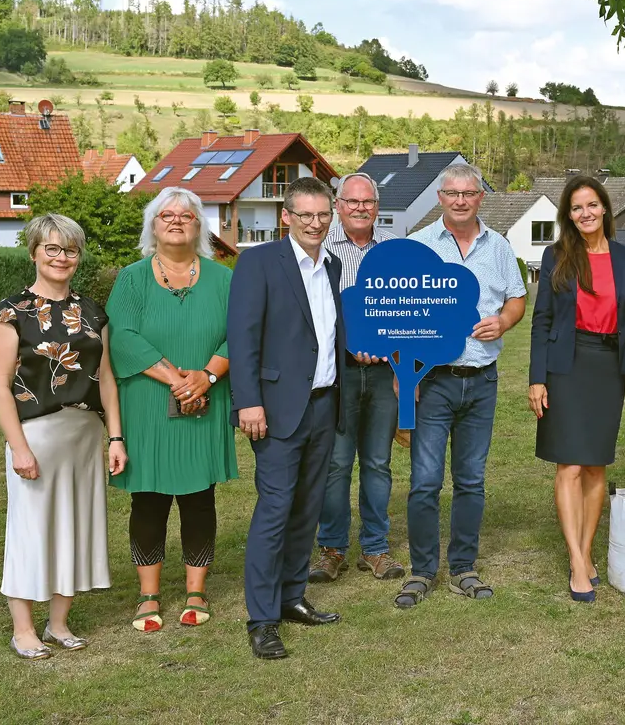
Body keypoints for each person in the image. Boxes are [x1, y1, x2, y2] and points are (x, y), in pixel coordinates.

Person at [0, 214, 124, 659]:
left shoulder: (92, 312)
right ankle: (23, 629)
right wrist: (18, 447)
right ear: (33, 253)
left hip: (84, 436)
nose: (61, 257)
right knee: (30, 529)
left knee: (76, 525)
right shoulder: (10, 313)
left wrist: (115, 437)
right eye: (52, 248)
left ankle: (59, 623)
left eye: (69, 250)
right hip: (36, 435)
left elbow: (105, 378)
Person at [395, 163, 527, 610]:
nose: (460, 200)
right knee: (425, 481)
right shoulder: (417, 247)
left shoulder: (501, 247)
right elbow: (401, 317)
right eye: (451, 193)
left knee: (471, 480)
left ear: (480, 197)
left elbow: (516, 297)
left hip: (482, 382)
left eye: (468, 193)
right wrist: (403, 376)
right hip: (431, 382)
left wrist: (504, 320)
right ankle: (421, 571)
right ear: (439, 196)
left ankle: (463, 567)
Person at [528, 176, 625, 602]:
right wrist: (537, 378)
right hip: (566, 366)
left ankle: (586, 553)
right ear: (568, 215)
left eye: (591, 205)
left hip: (609, 368)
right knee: (569, 465)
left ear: (605, 208)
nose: (585, 213)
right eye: (576, 208)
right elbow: (543, 320)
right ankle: (576, 561)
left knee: (595, 467)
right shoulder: (557, 257)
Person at [108, 187, 236, 634]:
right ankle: (148, 595)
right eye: (167, 215)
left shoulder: (224, 279)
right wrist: (178, 379)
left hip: (207, 401)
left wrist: (208, 376)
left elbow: (240, 335)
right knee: (149, 500)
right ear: (153, 226)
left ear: (200, 226)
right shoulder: (132, 278)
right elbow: (121, 336)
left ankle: (196, 589)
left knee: (200, 497)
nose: (177, 220)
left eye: (187, 215)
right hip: (147, 406)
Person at [228, 177, 346, 660]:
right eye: (306, 215)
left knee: (307, 509)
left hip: (323, 405)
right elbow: (242, 335)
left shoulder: (333, 265)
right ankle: (262, 619)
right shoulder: (258, 262)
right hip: (275, 410)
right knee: (275, 511)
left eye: (323, 215)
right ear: (286, 217)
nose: (316, 224)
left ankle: (293, 596)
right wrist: (248, 402)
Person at [308, 172, 406, 584]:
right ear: (338, 206)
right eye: (352, 202)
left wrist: (402, 367)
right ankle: (331, 548)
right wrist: (348, 345)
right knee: (336, 463)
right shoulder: (321, 253)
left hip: (385, 374)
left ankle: (375, 548)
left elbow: (408, 312)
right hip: (339, 373)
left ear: (377, 208)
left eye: (368, 202)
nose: (360, 208)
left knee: (379, 463)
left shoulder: (396, 253)